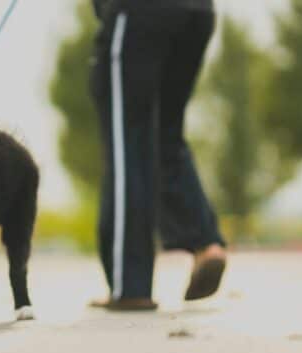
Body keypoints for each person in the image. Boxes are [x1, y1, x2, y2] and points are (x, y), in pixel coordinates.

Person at [88, 0, 227, 310]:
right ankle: (206, 243)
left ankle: (131, 285)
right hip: (197, 12)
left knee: (127, 142)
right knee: (165, 137)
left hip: (139, 12)